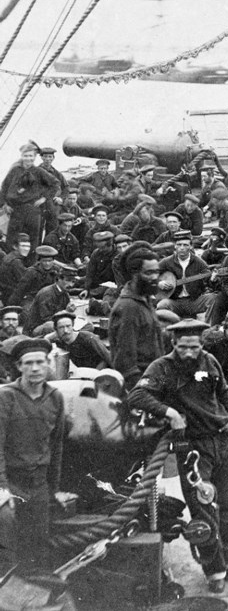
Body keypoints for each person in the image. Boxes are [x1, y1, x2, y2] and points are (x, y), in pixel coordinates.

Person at [127, 319, 228, 594]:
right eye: (183, 347)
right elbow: (137, 396)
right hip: (192, 449)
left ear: (202, 344)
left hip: (220, 441)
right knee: (203, 510)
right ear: (173, 344)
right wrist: (168, 412)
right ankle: (214, 570)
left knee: (226, 507)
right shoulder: (162, 368)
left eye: (194, 347)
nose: (189, 353)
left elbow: (223, 391)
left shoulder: (210, 362)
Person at [0, 338, 72, 567]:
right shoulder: (6, 397)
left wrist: (56, 489)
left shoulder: (55, 397)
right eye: (28, 363)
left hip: (38, 483)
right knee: (9, 543)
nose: (35, 368)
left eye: (40, 362)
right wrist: (2, 488)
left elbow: (57, 446)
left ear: (48, 364)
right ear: (19, 367)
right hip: (11, 482)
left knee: (38, 546)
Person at [108, 243, 164, 389]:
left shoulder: (144, 300)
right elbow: (125, 364)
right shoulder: (128, 308)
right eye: (148, 273)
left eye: (157, 272)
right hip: (140, 386)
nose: (155, 277)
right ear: (134, 274)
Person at [0, 143, 57, 250]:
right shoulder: (14, 171)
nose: (28, 158)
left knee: (33, 240)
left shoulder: (39, 172)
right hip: (16, 210)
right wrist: (5, 204)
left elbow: (55, 184)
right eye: (26, 156)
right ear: (22, 156)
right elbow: (4, 188)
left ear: (35, 157)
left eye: (31, 156)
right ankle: (12, 263)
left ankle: (30, 265)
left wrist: (44, 198)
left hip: (33, 210)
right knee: (12, 239)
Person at [156, 231, 219, 322]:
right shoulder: (167, 261)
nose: (182, 248)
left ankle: (207, 328)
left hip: (194, 301)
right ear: (175, 246)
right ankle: (168, 331)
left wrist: (213, 279)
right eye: (179, 245)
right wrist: (159, 283)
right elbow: (152, 274)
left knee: (213, 298)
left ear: (191, 246)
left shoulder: (199, 262)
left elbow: (209, 281)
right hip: (174, 301)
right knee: (161, 305)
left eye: (185, 245)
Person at [22, 266, 77, 336]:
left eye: (73, 281)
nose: (71, 285)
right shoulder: (46, 294)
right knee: (51, 326)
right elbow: (46, 318)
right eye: (68, 280)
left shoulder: (65, 293)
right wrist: (66, 312)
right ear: (59, 279)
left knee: (88, 325)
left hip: (57, 323)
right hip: (35, 328)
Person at [0, 234, 31, 304]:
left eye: (28, 246)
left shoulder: (9, 256)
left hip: (6, 295)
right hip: (13, 298)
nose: (26, 249)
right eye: (23, 246)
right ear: (15, 247)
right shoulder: (16, 262)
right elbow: (25, 281)